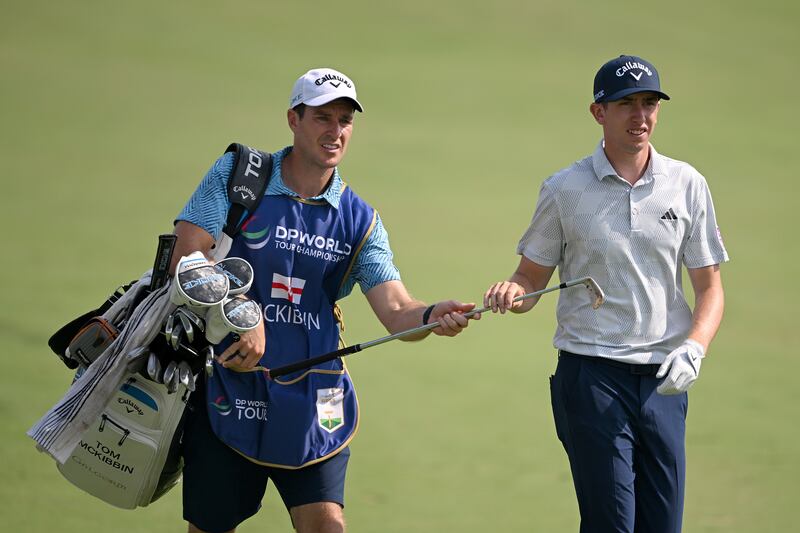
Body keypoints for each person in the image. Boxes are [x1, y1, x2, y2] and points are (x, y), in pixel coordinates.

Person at [171, 67, 479, 533]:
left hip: (316, 399)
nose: (335, 131)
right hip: (230, 388)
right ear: (293, 120)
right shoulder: (240, 177)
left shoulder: (360, 220)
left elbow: (397, 311)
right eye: (322, 118)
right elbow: (188, 255)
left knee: (327, 525)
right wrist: (243, 313)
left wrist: (434, 315)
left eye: (344, 120)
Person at [483, 55, 728, 532]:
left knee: (663, 526)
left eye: (649, 104)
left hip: (664, 380)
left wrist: (695, 348)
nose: (641, 117)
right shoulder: (564, 188)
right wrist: (513, 291)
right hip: (591, 375)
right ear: (599, 112)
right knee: (612, 524)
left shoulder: (687, 184)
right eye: (626, 105)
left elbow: (710, 288)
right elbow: (531, 278)